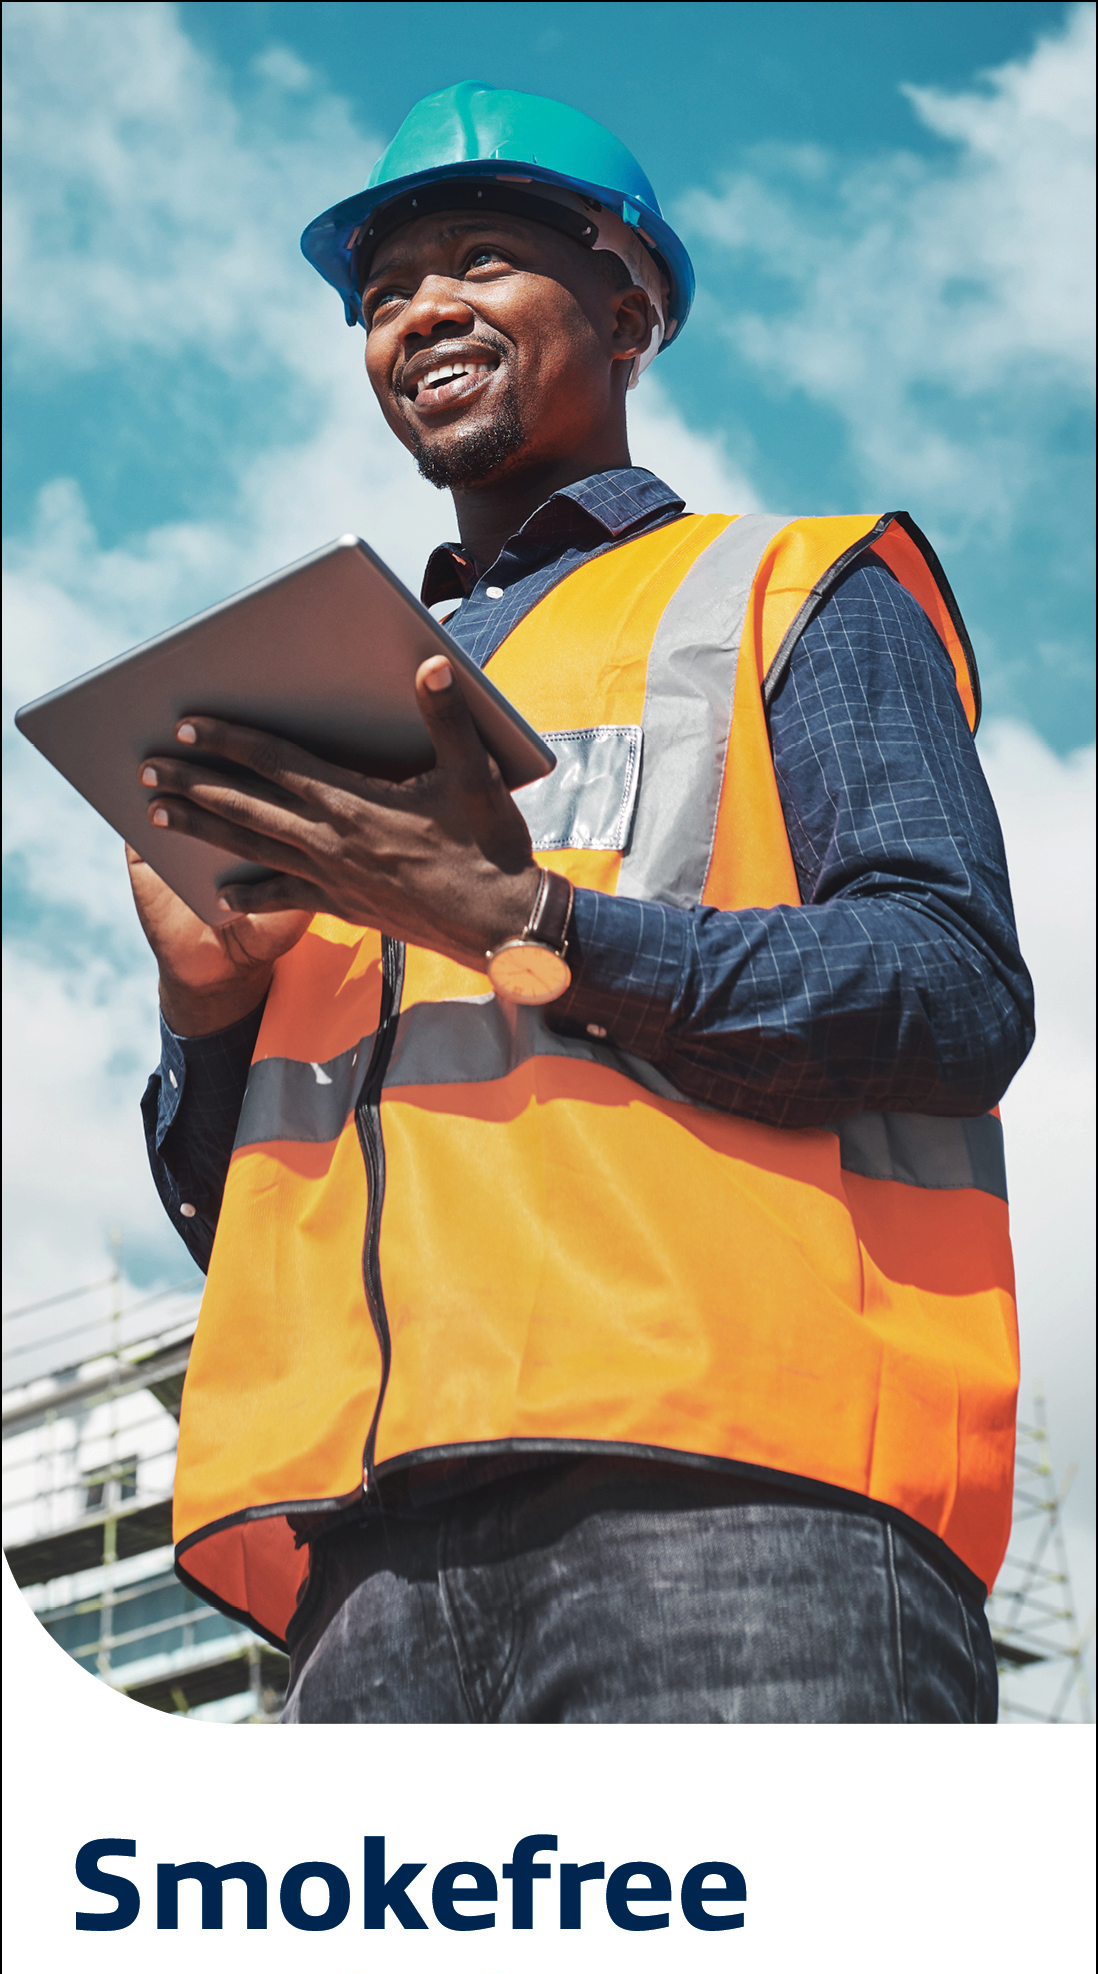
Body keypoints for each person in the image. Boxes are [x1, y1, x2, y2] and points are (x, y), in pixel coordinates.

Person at [128, 82, 1033, 1726]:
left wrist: (528, 918)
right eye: (385, 292)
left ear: (624, 313)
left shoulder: (782, 589)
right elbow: (242, 1215)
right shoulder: (331, 714)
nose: (422, 312)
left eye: (482, 258)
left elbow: (950, 990)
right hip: (365, 1569)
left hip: (731, 1494)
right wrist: (204, 1015)